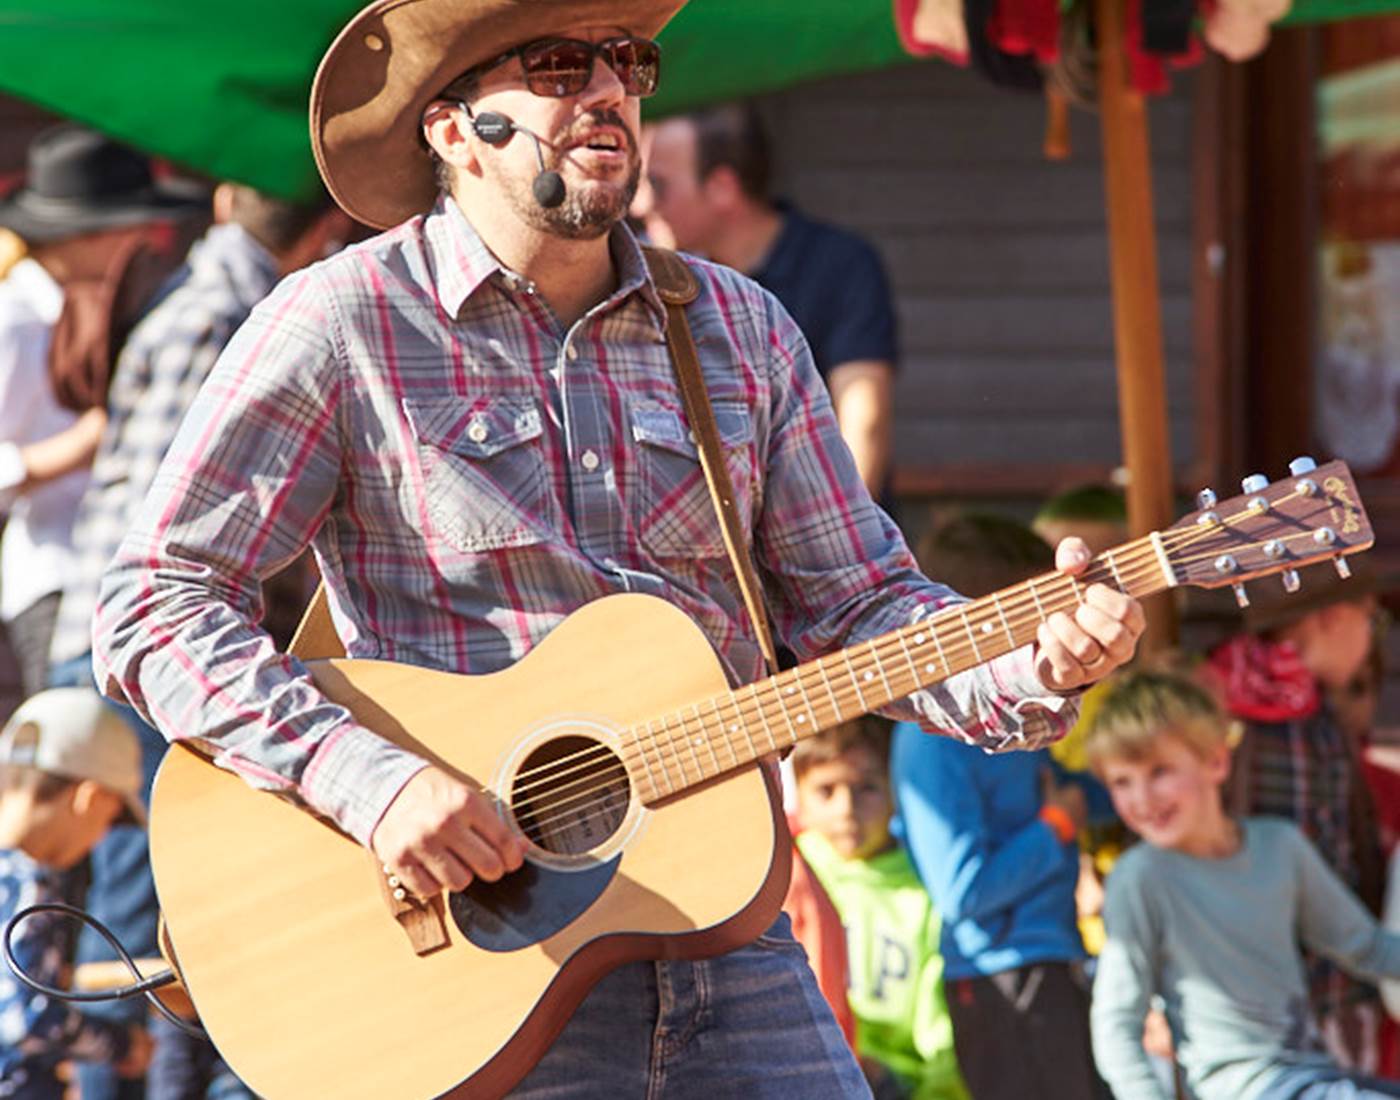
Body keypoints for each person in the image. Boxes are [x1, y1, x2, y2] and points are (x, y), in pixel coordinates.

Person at [90, 0, 1145, 1093]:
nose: (608, 91)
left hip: (725, 932)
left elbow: (859, 604)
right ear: (452, 128)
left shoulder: (740, 330)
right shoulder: (342, 321)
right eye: (556, 65)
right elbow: (151, 602)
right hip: (473, 963)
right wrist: (371, 781)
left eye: (627, 63)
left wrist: (1026, 657)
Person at [41, 180, 338, 1100]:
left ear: (222, 207)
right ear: (325, 231)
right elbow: (193, 537)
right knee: (162, 926)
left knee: (112, 913)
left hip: (93, 630)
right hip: (157, 649)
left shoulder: (186, 301)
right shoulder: (234, 320)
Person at [1086, 667, 1400, 1100]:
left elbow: (1365, 946)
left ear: (1216, 760)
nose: (1142, 798)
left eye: (1159, 771)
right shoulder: (1140, 877)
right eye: (1122, 782)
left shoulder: (1280, 847)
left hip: (1312, 1074)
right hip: (1244, 1090)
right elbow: (1116, 1025)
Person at [891, 512, 1105, 1100]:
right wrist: (1055, 828)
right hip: (999, 979)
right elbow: (962, 892)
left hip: (1050, 960)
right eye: (1036, 620)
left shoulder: (1018, 721)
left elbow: (1077, 796)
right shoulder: (926, 741)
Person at [0, 124, 202, 700]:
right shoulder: (15, 319)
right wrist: (97, 439)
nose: (152, 236)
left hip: (92, 573)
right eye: (134, 222)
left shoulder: (82, 310)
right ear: (85, 234)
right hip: (59, 577)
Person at [643, 102, 898, 500]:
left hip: (822, 538)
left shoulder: (840, 265)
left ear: (722, 188)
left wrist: (839, 552)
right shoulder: (658, 280)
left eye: (659, 184)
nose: (643, 204)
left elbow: (864, 419)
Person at [1207, 560, 1390, 1074]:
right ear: (1330, 617)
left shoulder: (1263, 698)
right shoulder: (1285, 725)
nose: (1372, 642)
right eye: (1371, 622)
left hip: (1275, 996)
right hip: (1295, 1005)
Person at [793, 717, 968, 1100]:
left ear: (896, 789)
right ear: (800, 797)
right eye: (826, 790)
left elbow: (936, 1031)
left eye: (866, 788)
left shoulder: (922, 893)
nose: (846, 809)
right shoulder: (789, 875)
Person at [0, 687, 152, 1099]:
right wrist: (120, 1043)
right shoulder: (29, 884)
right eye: (111, 819)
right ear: (90, 798)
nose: (102, 837)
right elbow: (25, 1021)